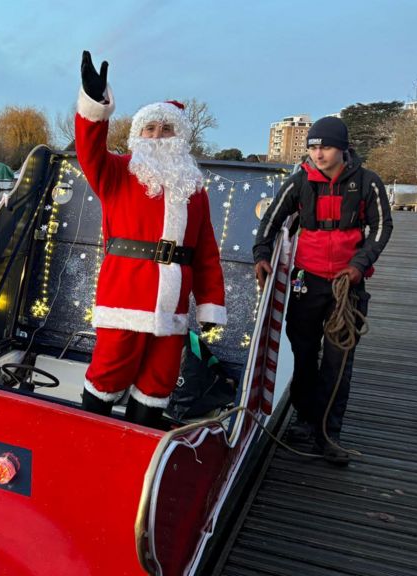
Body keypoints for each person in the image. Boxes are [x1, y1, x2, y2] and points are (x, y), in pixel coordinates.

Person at [75, 51, 226, 428]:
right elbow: (88, 149)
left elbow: (206, 252)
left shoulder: (194, 188)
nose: (158, 136)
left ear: (180, 136)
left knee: (158, 381)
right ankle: (88, 435)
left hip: (173, 304)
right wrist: (95, 104)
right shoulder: (116, 172)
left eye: (166, 129)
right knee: (108, 373)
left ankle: (140, 443)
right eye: (150, 129)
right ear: (137, 135)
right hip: (124, 296)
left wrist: (209, 305)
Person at [253, 116, 393, 466]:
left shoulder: (367, 182)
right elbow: (270, 222)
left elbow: (381, 227)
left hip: (348, 286)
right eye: (313, 147)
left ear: (342, 149)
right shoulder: (299, 182)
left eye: (325, 147)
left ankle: (329, 434)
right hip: (306, 281)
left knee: (338, 361)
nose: (318, 153)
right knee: (302, 354)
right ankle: (304, 420)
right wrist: (262, 255)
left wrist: (359, 264)